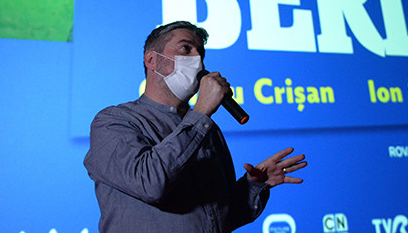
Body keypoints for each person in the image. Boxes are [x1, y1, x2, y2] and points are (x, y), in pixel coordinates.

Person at [84, 21, 307, 232]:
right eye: (186, 49)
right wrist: (201, 112)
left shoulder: (207, 128)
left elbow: (219, 218)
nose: (197, 59)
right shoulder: (114, 121)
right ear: (151, 60)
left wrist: (254, 186)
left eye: (201, 52)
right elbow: (150, 184)